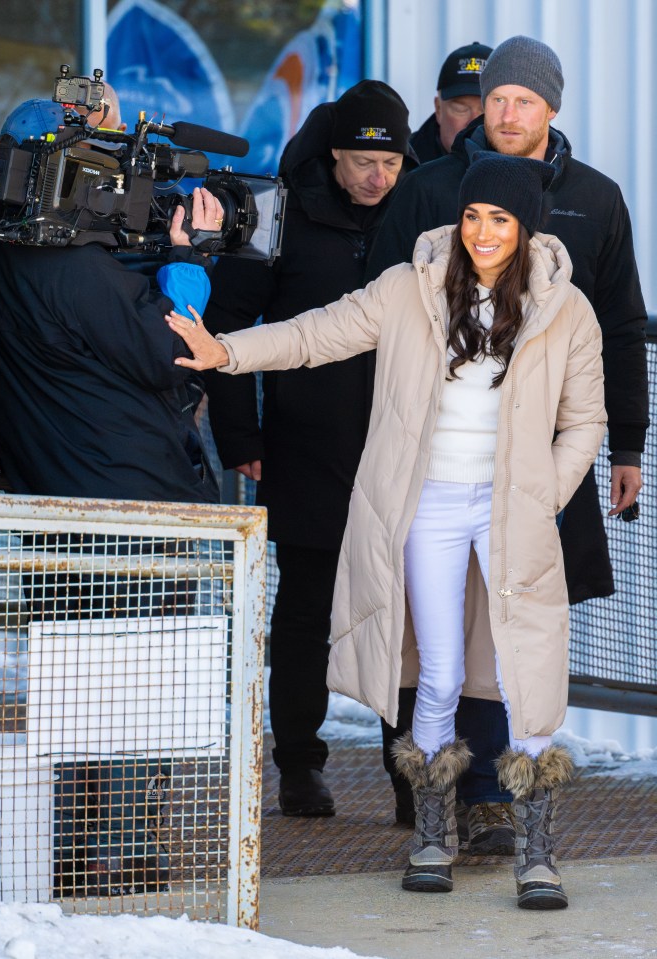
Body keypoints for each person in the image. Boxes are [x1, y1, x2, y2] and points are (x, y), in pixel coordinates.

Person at [164, 152, 607, 908]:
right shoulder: (411, 288)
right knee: (434, 671)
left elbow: (584, 420)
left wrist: (541, 497)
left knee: (519, 672)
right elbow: (317, 333)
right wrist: (227, 353)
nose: (483, 232)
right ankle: (430, 832)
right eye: (472, 215)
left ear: (526, 225)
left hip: (513, 511)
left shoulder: (566, 310)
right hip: (429, 502)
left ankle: (537, 850)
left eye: (500, 218)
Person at [365, 34, 649, 856]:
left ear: (552, 108)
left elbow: (624, 327)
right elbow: (371, 323)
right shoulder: (426, 193)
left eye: (525, 100)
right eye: (496, 98)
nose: (508, 112)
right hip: (433, 465)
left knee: (507, 631)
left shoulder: (595, 198)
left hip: (532, 468)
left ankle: (492, 798)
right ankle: (428, 797)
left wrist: (625, 444)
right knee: (430, 635)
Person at [200, 80, 418, 817]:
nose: (376, 178)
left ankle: (411, 776)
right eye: (362, 162)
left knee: (407, 618)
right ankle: (299, 763)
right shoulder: (276, 213)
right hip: (303, 448)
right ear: (333, 155)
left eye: (388, 165)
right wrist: (240, 435)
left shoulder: (419, 217)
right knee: (305, 613)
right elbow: (227, 318)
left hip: (401, 453)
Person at [0, 97, 223, 503]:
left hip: (42, 491)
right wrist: (191, 258)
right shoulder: (70, 265)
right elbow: (171, 352)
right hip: (128, 498)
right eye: (108, 146)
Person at [410, 40, 492, 162]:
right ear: (438, 109)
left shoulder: (526, 164)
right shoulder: (401, 166)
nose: (473, 124)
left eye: (486, 112)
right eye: (461, 109)